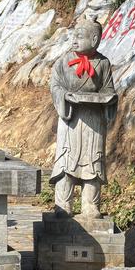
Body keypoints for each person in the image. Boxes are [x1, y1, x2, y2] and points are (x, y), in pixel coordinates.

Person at [49, 19, 117, 218]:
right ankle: (63, 204)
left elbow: (108, 89)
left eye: (80, 36)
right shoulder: (63, 61)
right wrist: (64, 96)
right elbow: (55, 85)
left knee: (93, 162)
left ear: (94, 39)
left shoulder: (103, 63)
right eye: (74, 36)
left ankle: (90, 205)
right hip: (70, 117)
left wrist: (109, 99)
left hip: (94, 119)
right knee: (66, 161)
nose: (75, 40)